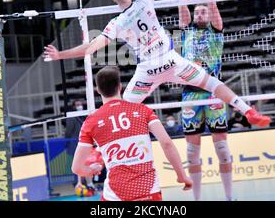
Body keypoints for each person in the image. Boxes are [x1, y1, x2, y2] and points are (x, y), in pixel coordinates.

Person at [44, 0, 269, 128]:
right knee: (212, 83)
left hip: (148, 70)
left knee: (119, 108)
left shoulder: (116, 23)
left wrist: (60, 55)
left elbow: (90, 48)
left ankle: (97, 150)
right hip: (172, 62)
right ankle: (247, 110)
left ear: (114, 1)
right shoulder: (144, 1)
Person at [71, 66, 192, 201]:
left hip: (115, 195)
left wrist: (91, 170)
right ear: (120, 86)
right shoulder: (142, 110)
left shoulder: (90, 122)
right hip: (149, 191)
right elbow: (167, 143)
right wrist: (181, 175)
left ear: (98, 90)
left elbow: (76, 168)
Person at [178, 0, 237, 201]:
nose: (200, 13)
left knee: (222, 150)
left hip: (214, 92)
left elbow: (213, 6)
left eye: (203, 11)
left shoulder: (215, 31)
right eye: (197, 11)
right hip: (191, 95)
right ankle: (197, 200)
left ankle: (229, 197)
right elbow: (182, 10)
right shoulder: (186, 31)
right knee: (192, 153)